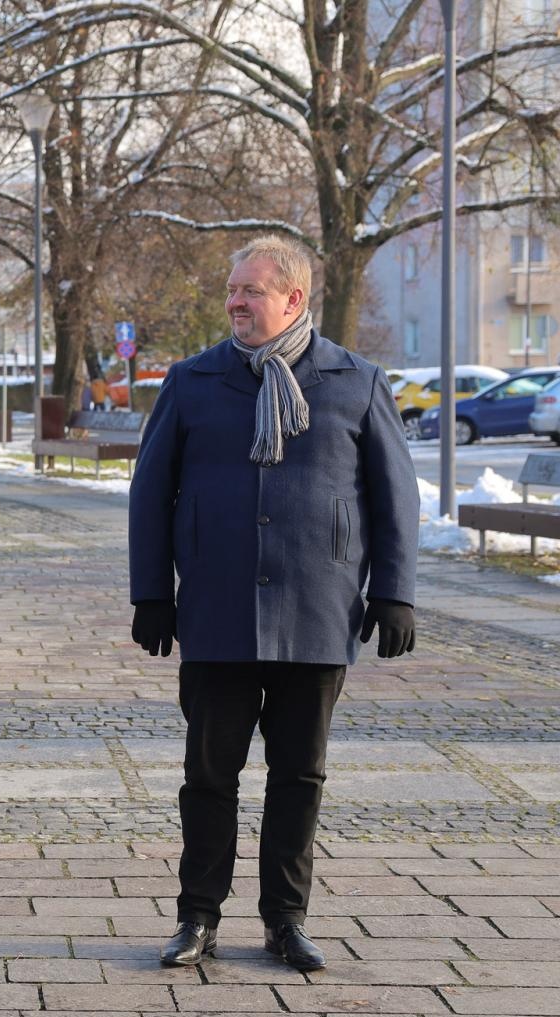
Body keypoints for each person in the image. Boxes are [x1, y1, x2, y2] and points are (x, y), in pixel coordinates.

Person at [128, 236, 418, 973]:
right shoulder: (195, 381)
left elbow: (395, 498)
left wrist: (394, 591)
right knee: (208, 776)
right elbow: (149, 495)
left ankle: (286, 921)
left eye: (251, 292)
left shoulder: (355, 381)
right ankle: (197, 919)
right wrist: (152, 593)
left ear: (293, 299)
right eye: (232, 290)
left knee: (299, 777)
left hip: (317, 614)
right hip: (218, 613)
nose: (235, 302)